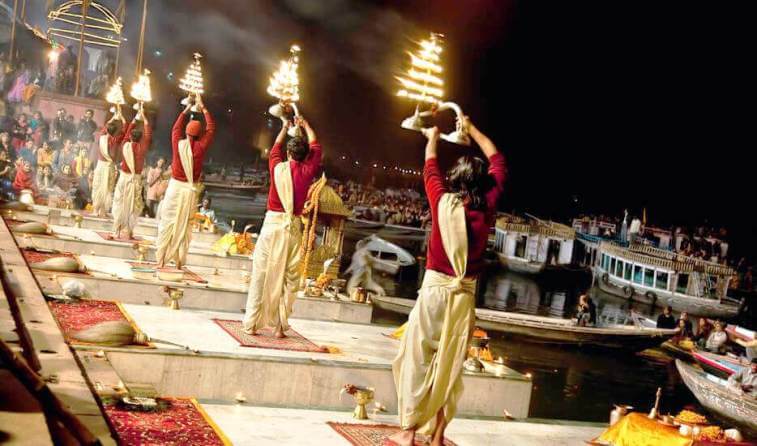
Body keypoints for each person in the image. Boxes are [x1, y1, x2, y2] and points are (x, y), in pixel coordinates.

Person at [390, 117, 506, 446]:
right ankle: (439, 435)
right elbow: (497, 157)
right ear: (483, 184)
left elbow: (429, 163)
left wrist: (434, 137)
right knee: (450, 365)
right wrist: (471, 129)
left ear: (455, 180)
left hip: (436, 292)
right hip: (464, 296)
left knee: (417, 358)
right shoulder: (489, 206)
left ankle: (409, 431)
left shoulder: (442, 201)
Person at [242, 116, 322, 338]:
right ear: (305, 157)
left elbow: (276, 146)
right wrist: (306, 125)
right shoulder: (307, 171)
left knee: (261, 273)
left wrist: (285, 127)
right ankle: (279, 326)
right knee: (290, 279)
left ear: (288, 153)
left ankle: (251, 324)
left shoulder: (277, 167)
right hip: (292, 230)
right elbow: (316, 146)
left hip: (271, 227)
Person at [155, 96, 215, 269]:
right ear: (198, 134)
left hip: (175, 188)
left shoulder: (178, 144)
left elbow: (175, 128)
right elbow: (211, 129)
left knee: (168, 222)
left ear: (187, 133)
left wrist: (186, 109)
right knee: (185, 226)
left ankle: (160, 260)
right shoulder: (201, 147)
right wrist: (203, 108)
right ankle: (180, 261)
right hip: (190, 190)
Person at [112, 106, 152, 240]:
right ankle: (129, 232)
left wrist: (135, 118)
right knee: (133, 207)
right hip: (135, 180)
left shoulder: (125, 145)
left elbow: (128, 131)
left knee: (120, 203)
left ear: (129, 137)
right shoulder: (143, 147)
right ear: (140, 139)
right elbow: (148, 135)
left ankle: (117, 230)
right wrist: (144, 118)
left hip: (124, 179)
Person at [92, 112, 126, 217]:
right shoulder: (116, 139)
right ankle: (103, 211)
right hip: (109, 166)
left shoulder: (102, 137)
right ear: (115, 131)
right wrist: (122, 118)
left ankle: (95, 210)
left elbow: (105, 127)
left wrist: (113, 117)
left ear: (106, 130)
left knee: (98, 187)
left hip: (100, 165)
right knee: (107, 188)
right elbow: (124, 131)